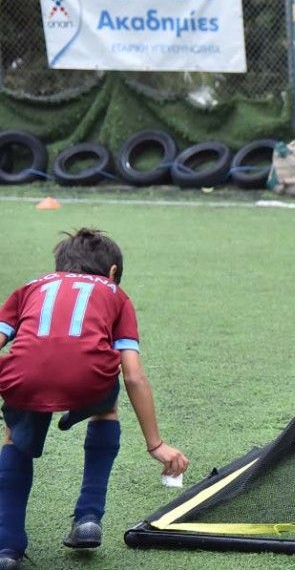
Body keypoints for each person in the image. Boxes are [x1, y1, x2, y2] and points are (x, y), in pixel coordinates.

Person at [0, 228, 188, 569]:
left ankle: (7, 547)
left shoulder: (30, 287)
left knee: (15, 440)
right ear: (112, 272)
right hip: (88, 380)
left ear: (59, 267)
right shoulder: (116, 294)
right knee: (107, 406)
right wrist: (155, 443)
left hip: (22, 377)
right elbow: (132, 373)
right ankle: (88, 517)